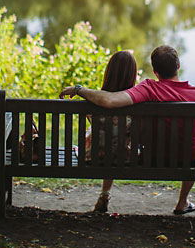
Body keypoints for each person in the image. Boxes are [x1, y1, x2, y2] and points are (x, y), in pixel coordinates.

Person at [60, 45, 195, 215]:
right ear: (177, 65)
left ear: (154, 70)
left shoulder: (149, 89)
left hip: (154, 157)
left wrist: (79, 89)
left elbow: (110, 101)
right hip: (189, 160)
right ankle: (182, 202)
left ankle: (105, 193)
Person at [59, 50, 137, 213]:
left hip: (91, 156)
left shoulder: (95, 101)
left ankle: (104, 194)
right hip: (124, 158)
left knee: (105, 141)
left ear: (108, 72)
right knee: (115, 144)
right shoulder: (136, 103)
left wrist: (78, 89)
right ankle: (105, 193)